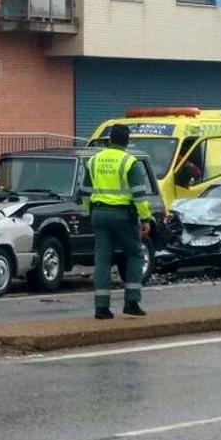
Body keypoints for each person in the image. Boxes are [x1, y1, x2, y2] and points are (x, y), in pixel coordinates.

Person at [77, 124, 153, 320]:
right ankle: (132, 302)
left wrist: (91, 211)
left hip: (99, 214)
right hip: (123, 216)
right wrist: (145, 218)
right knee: (135, 254)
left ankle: (101, 308)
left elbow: (84, 192)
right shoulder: (129, 162)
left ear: (110, 139)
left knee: (102, 260)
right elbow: (139, 195)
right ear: (127, 141)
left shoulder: (94, 160)